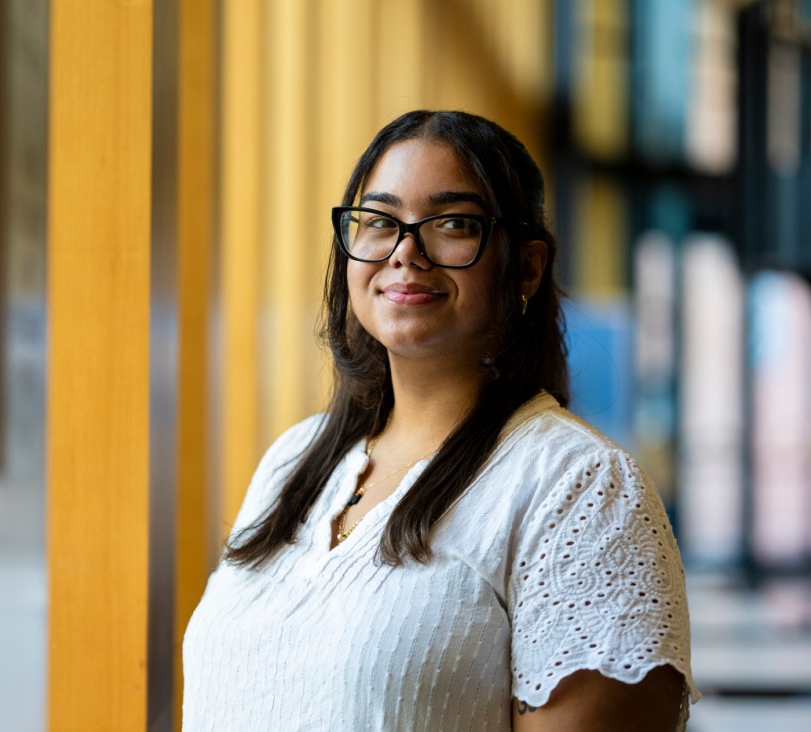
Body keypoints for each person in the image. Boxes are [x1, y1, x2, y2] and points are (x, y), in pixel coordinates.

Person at [182, 110, 698, 731]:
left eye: (452, 223)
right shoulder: (295, 459)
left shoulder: (581, 488)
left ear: (527, 266)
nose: (406, 252)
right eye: (378, 222)